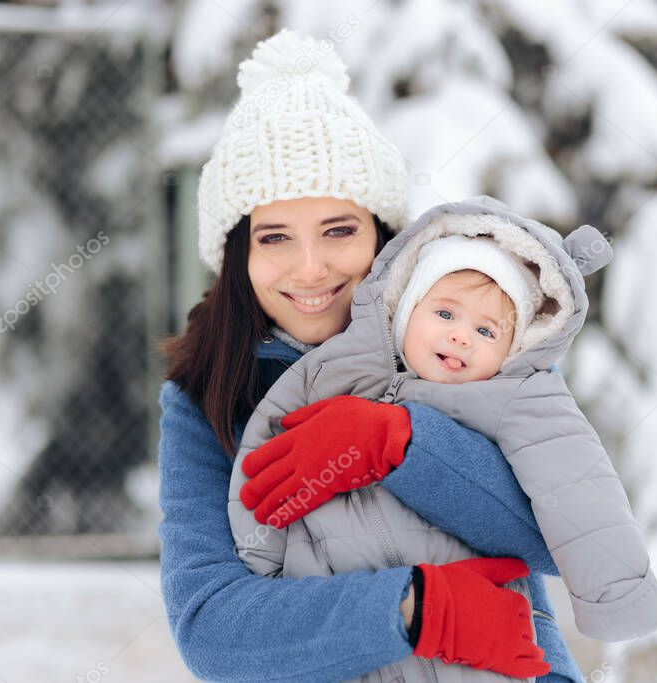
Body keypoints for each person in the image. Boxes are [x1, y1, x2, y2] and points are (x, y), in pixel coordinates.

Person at [157, 29, 582, 682]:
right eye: (275, 237)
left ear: (383, 233)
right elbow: (210, 624)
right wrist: (416, 606)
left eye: (338, 230)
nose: (310, 268)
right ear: (238, 257)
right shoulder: (205, 396)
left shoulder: (465, 341)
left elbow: (559, 532)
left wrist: (403, 440)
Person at [230, 198, 657, 653]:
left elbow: (577, 483)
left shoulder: (517, 395)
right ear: (404, 309)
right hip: (352, 621)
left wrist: (618, 597)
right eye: (444, 314)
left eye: (487, 332)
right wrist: (261, 554)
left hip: (473, 637)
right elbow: (266, 448)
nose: (461, 335)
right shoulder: (337, 367)